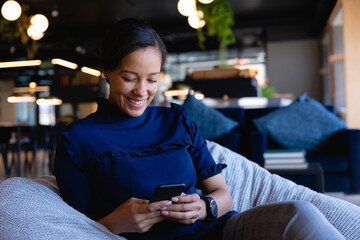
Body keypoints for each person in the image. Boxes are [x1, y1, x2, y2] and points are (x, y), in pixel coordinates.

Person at [53, 18, 345, 240]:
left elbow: (222, 193)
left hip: (219, 230)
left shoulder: (176, 121)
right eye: (130, 78)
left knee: (300, 213)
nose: (142, 91)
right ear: (106, 70)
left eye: (152, 79)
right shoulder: (77, 140)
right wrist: (116, 223)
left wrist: (205, 207)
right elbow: (73, 228)